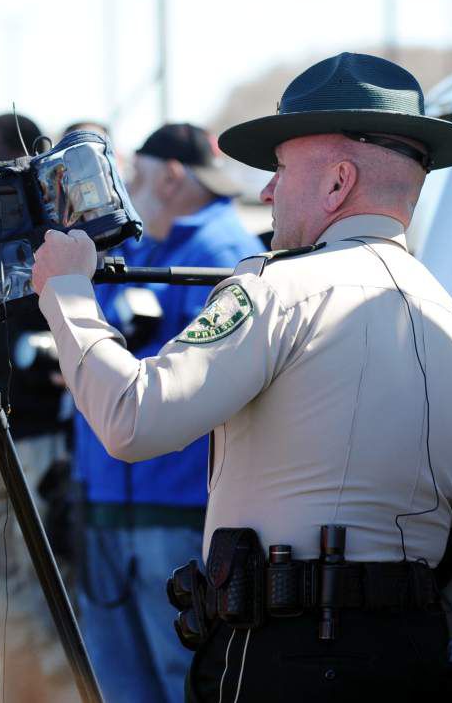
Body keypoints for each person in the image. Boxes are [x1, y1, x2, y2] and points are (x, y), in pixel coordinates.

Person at [31, 53, 452, 701]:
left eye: (279, 169)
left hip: (282, 658)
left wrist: (67, 295)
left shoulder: (277, 290)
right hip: (423, 661)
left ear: (338, 183)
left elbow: (133, 418)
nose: (265, 191)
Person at [71, 123, 264, 703]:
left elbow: (202, 383)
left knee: (178, 674)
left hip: (173, 503)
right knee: (115, 675)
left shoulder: (221, 252)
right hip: (112, 495)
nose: (128, 187)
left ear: (174, 177)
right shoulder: (152, 243)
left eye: (138, 175)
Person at [0, 114, 79, 703]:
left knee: (43, 580)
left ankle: (57, 691)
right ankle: (20, 688)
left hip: (38, 436)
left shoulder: (55, 227)